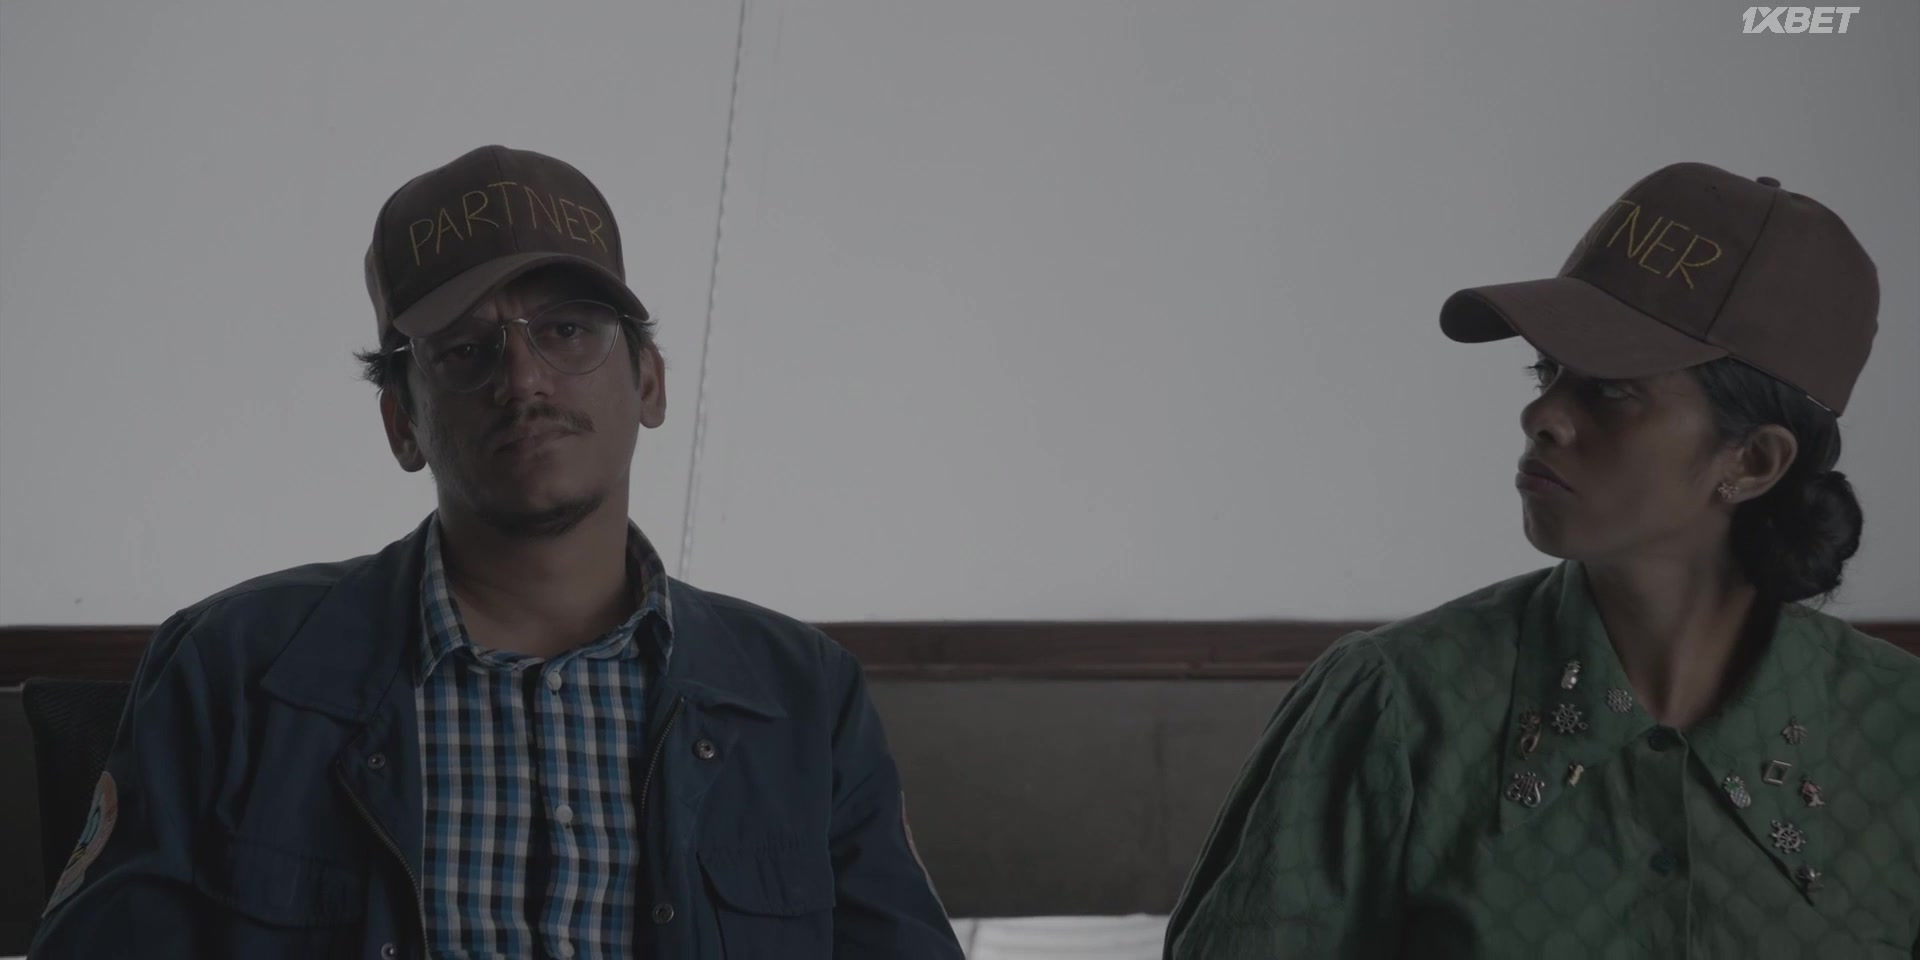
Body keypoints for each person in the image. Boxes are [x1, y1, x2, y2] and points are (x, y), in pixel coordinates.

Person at [30, 144, 964, 960]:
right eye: (466, 351)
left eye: (567, 330)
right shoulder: (232, 672)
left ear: (649, 381)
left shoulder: (804, 698)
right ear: (401, 424)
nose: (523, 379)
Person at [1164, 162, 1920, 957]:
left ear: (1754, 461)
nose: (1541, 414)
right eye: (1547, 372)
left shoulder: (1902, 735)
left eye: (1613, 389)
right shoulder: (1397, 711)